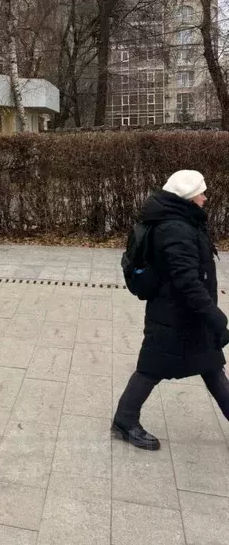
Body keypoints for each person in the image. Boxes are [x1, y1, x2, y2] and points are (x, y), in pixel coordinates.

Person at [113, 169, 229, 451]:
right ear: (188, 197)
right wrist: (215, 316)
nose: (205, 197)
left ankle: (124, 419)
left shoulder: (180, 220)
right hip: (175, 315)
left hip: (186, 314)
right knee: (152, 368)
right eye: (201, 192)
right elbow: (187, 280)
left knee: (212, 366)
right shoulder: (175, 228)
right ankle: (124, 421)